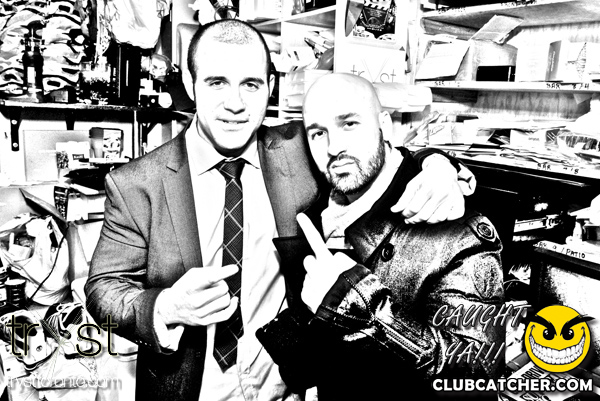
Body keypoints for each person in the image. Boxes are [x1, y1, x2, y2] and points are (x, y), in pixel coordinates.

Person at [85, 20, 476, 401]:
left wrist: (438, 165)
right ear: (190, 84)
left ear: (270, 88)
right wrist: (165, 307)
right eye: (217, 82)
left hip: (287, 384)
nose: (235, 104)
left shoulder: (301, 149)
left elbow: (371, 147)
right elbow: (102, 291)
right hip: (190, 388)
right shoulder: (136, 183)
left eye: (251, 84)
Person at [257, 73, 505, 400]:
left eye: (349, 124)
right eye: (318, 133)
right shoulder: (322, 207)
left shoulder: (453, 227)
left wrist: (362, 309)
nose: (334, 148)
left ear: (384, 126)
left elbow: (476, 373)